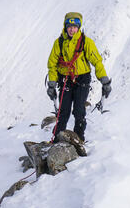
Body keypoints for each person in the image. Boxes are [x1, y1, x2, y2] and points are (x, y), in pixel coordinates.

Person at [46, 12, 111, 141]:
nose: (72, 29)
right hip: (66, 80)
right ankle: (58, 139)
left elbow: (96, 61)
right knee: (63, 111)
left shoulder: (86, 42)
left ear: (79, 27)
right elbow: (52, 65)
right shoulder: (59, 43)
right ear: (65, 27)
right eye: (69, 26)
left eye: (75, 26)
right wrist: (52, 83)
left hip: (82, 79)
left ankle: (78, 139)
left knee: (78, 110)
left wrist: (104, 79)